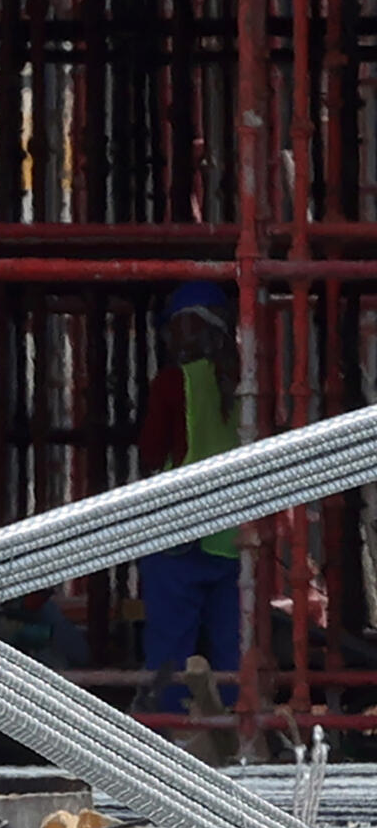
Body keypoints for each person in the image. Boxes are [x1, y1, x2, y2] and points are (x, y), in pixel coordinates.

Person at [134, 281, 243, 712]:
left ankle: (171, 730)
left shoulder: (172, 384)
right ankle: (237, 725)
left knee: (170, 647)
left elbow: (150, 452)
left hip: (178, 534)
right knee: (233, 646)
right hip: (233, 537)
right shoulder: (246, 384)